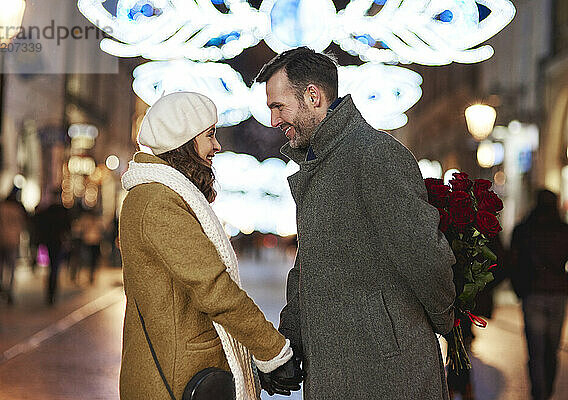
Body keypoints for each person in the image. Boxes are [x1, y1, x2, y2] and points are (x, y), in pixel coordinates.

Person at [255, 47, 456, 399]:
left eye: (278, 106)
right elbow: (308, 270)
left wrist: (445, 320)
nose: (273, 121)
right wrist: (289, 343)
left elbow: (424, 255)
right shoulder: (318, 165)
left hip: (386, 373)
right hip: (338, 371)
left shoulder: (374, 154)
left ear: (313, 97)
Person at [118, 92, 303, 400]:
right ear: (184, 139)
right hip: (175, 379)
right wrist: (273, 351)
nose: (217, 146)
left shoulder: (161, 196)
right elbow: (214, 287)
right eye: (209, 135)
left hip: (180, 369)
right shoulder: (158, 203)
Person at [510, 189, 568, 400]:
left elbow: (513, 262)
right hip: (558, 294)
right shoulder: (563, 230)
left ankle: (539, 394)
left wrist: (519, 289)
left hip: (533, 293)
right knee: (551, 351)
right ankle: (547, 392)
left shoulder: (525, 230)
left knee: (536, 352)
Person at [34, 190, 71, 305]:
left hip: (50, 242)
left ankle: (50, 292)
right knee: (55, 267)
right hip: (58, 242)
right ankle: (52, 291)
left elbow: (38, 223)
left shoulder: (48, 211)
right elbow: (67, 228)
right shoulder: (62, 211)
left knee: (52, 267)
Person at [0, 188, 28, 305]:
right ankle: (9, 291)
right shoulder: (18, 209)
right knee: (11, 268)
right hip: (13, 241)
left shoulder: (1, 207)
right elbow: (23, 224)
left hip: (0, 240)